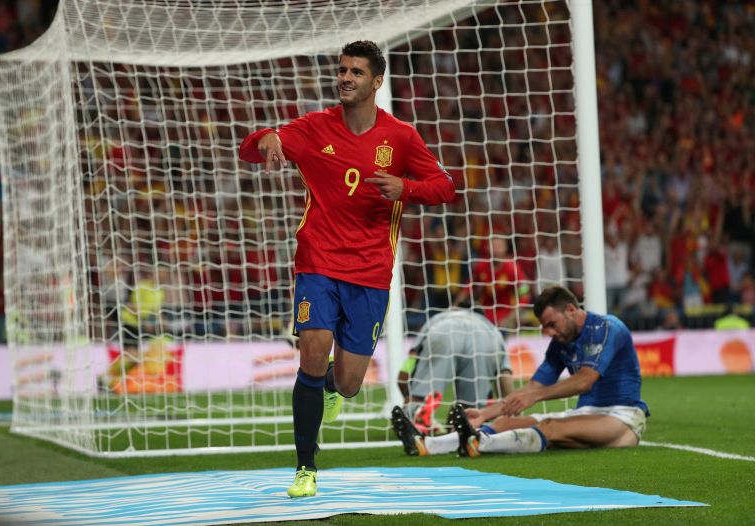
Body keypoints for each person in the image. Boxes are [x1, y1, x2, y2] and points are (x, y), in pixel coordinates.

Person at [238, 41, 455, 498]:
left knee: (350, 383)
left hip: (370, 272)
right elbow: (250, 150)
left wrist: (405, 188)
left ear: (377, 81)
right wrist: (268, 137)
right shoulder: (314, 127)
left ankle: (336, 382)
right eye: (342, 70)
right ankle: (305, 467)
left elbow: (446, 188)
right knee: (311, 354)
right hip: (317, 260)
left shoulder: (401, 137)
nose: (346, 78)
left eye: (357, 72)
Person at [394, 285, 648, 457]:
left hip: (622, 417)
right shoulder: (560, 343)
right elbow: (533, 387)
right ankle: (426, 445)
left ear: (571, 310)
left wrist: (534, 397)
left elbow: (584, 381)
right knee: (505, 422)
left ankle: (478, 444)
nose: (548, 332)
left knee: (550, 427)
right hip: (586, 413)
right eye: (545, 327)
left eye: (551, 324)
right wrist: (484, 413)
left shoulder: (607, 328)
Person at [395, 309, 513, 437]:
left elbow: (410, 363)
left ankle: (417, 414)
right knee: (472, 406)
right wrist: (511, 411)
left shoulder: (439, 318)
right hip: (485, 339)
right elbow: (504, 374)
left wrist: (410, 395)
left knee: (423, 394)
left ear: (453, 308)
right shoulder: (492, 328)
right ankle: (462, 423)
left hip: (444, 331)